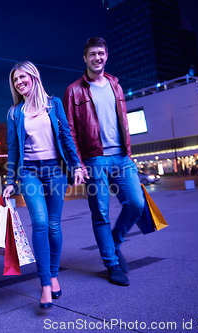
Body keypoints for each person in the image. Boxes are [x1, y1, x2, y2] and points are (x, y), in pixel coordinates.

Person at [63, 37, 144, 286]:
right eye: (92, 54)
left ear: (106, 56)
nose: (97, 58)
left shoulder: (116, 85)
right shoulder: (74, 90)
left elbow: (123, 121)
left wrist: (128, 152)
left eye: (101, 53)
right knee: (101, 213)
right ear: (85, 58)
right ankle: (111, 264)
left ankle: (115, 241)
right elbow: (70, 131)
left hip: (122, 156)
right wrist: (77, 163)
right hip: (94, 159)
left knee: (136, 203)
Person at [3, 61, 83, 309]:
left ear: (34, 77)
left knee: (54, 225)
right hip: (29, 172)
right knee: (39, 222)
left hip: (55, 170)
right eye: (15, 80)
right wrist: (9, 180)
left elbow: (67, 137)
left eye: (22, 77)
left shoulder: (54, 104)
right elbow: (13, 149)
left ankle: (54, 273)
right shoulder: (15, 112)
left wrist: (77, 165)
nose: (18, 82)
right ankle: (45, 283)